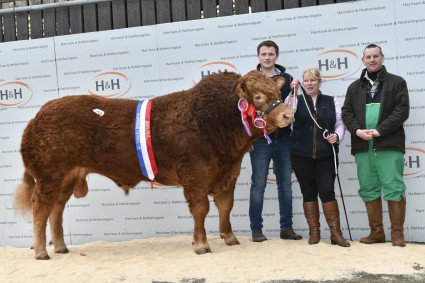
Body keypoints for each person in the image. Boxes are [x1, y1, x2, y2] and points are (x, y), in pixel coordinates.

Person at [342, 44, 409, 247]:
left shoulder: (397, 82)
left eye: (375, 56)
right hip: (363, 146)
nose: (372, 60)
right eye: (368, 57)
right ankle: (376, 233)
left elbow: (402, 110)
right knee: (369, 188)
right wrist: (357, 131)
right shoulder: (354, 87)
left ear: (382, 58)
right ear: (363, 60)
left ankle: (397, 235)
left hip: (388, 143)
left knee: (394, 187)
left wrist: (380, 130)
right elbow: (347, 113)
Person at [289, 68, 350, 247]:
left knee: (327, 190)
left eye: (313, 80)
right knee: (308, 192)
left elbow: (340, 123)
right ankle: (314, 232)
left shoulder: (332, 100)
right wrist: (293, 93)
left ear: (319, 82)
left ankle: (336, 234)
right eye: (306, 80)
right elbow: (288, 113)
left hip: (326, 155)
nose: (309, 83)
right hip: (301, 155)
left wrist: (337, 136)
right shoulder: (297, 100)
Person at [249, 40, 302, 242]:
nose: (267, 57)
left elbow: (292, 108)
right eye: (264, 54)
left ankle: (286, 228)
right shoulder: (251, 80)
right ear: (259, 56)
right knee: (258, 184)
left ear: (277, 56)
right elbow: (245, 113)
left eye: (271, 54)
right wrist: (250, 139)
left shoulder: (288, 79)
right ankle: (256, 230)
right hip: (261, 140)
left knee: (285, 185)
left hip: (284, 138)